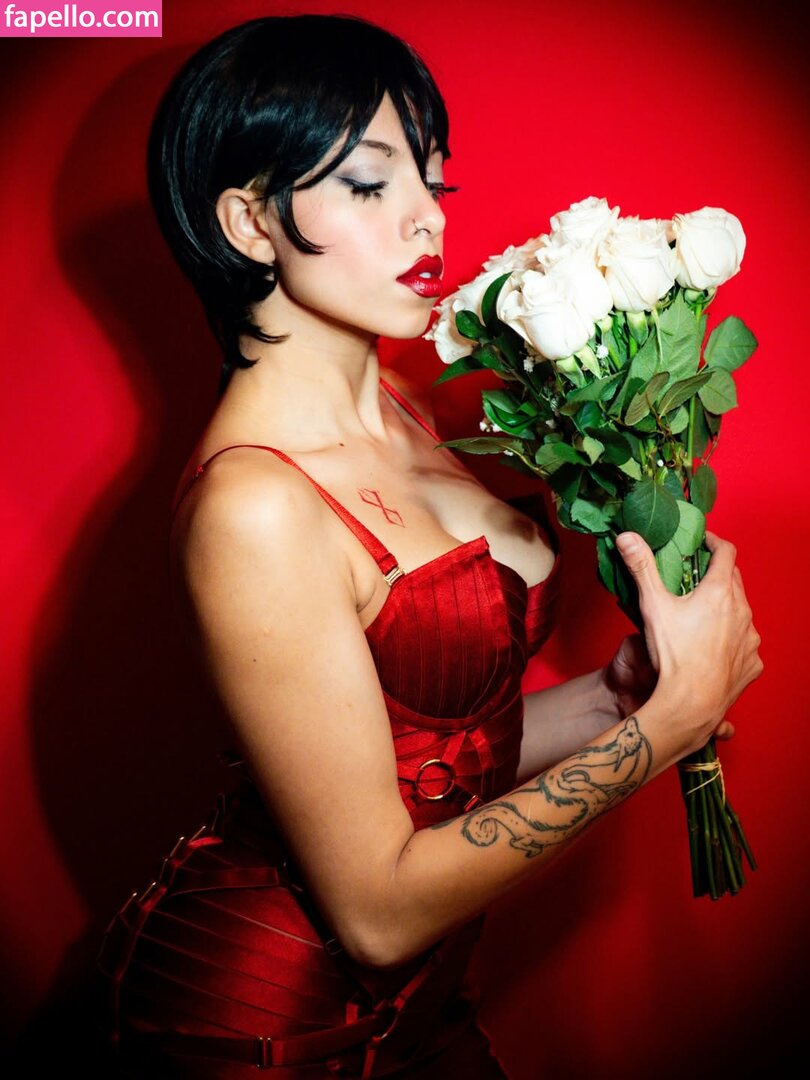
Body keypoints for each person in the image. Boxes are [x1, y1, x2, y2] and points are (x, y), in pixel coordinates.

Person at [94, 12, 763, 1079]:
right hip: (264, 1028)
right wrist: (662, 731)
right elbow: (376, 912)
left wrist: (616, 697)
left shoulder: (406, 406)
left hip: (430, 1006)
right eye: (369, 184)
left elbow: (432, 756)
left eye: (433, 180)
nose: (428, 218)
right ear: (249, 223)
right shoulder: (253, 507)